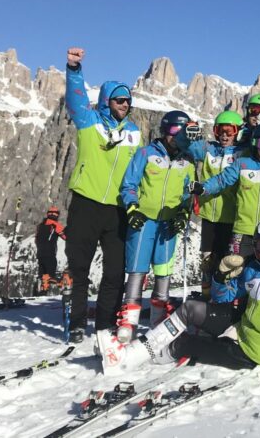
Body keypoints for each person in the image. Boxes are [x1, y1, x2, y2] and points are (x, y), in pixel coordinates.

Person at [97, 219, 260, 388]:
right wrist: (220, 277)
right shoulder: (253, 270)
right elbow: (223, 299)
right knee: (190, 308)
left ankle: (135, 358)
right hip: (240, 329)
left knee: (184, 344)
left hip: (255, 353)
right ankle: (130, 355)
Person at [63, 47, 141, 343]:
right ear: (107, 101)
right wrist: (73, 70)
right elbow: (75, 99)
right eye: (120, 100)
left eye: (128, 101)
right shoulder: (88, 121)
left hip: (118, 210)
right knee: (79, 267)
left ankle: (105, 324)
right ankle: (78, 323)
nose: (125, 104)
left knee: (114, 272)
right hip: (86, 204)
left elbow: (139, 169)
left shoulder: (134, 132)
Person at [114, 111, 198, 343]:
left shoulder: (188, 160)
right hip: (144, 220)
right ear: (164, 130)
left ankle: (157, 323)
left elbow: (188, 193)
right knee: (137, 270)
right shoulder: (146, 153)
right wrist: (132, 208)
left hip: (168, 223)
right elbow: (128, 184)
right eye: (173, 131)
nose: (177, 137)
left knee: (163, 272)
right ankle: (128, 324)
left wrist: (183, 213)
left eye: (182, 132)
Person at [200, 121, 260, 261]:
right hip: (242, 230)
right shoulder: (242, 163)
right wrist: (203, 188)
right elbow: (222, 180)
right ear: (255, 143)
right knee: (234, 270)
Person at [185, 111, 247, 294]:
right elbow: (188, 146)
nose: (225, 135)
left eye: (230, 130)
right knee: (207, 259)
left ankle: (223, 297)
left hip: (230, 217)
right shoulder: (208, 149)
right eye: (220, 130)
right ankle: (206, 295)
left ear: (238, 132)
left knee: (226, 261)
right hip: (208, 215)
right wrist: (189, 133)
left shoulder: (242, 154)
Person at [35, 206, 65, 292]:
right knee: (51, 275)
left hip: (40, 254)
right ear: (56, 215)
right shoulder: (55, 225)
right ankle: (61, 286)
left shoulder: (40, 226)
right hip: (50, 254)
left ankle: (43, 289)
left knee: (43, 274)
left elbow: (36, 240)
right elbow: (65, 236)